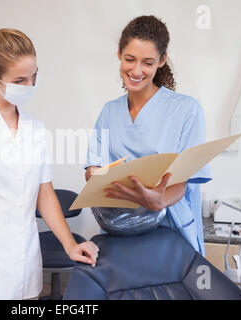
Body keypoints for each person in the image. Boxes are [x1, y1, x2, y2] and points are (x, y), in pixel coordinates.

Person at [0, 28, 99, 300]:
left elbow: (44, 193)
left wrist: (70, 244)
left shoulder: (35, 128)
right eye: (20, 80)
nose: (30, 86)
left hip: (25, 269)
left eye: (34, 76)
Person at [85, 16, 212, 255]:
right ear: (119, 54)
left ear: (162, 60)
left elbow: (184, 181)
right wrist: (95, 175)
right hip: (120, 230)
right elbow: (92, 169)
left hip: (171, 233)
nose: (136, 71)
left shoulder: (186, 110)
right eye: (129, 59)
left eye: (148, 62)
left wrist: (159, 201)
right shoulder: (109, 111)